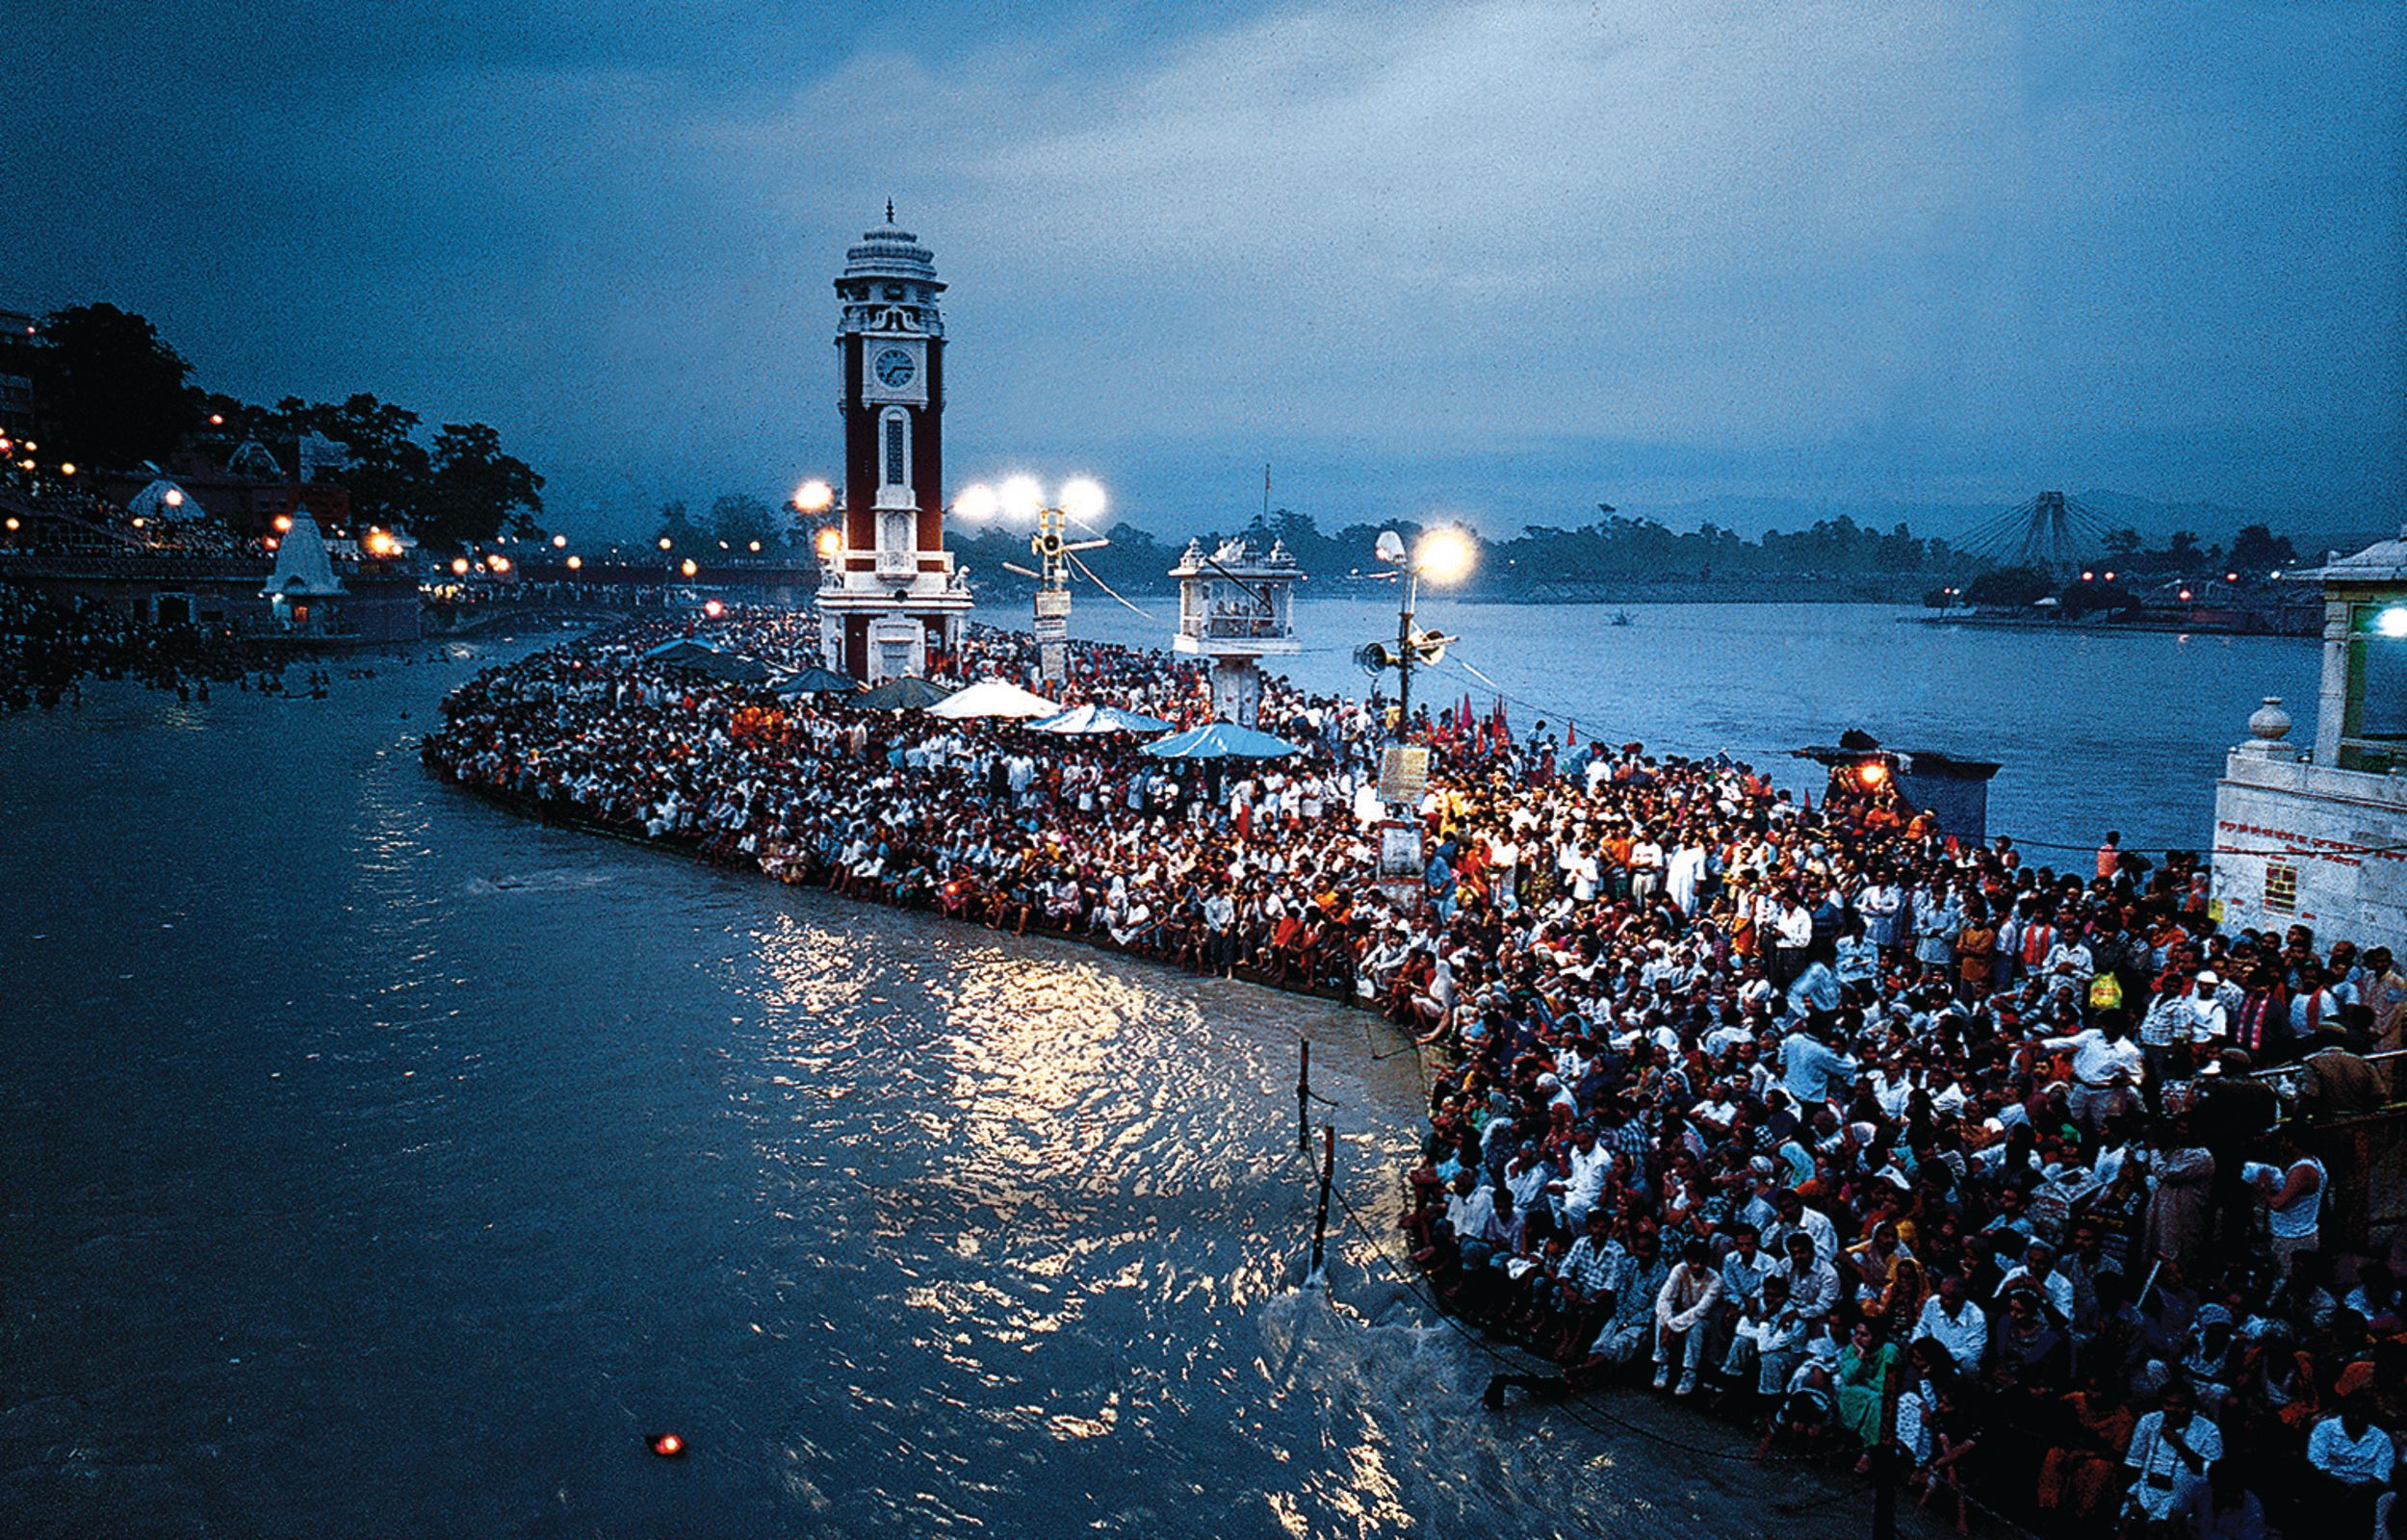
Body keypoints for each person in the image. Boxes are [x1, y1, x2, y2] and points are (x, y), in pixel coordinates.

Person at [2121, 1379, 2221, 1529]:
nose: (2172, 1409)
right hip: (2146, 1490)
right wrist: (2133, 1500)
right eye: (2168, 1404)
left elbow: (2213, 1474)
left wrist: (2179, 1445)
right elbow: (2133, 1463)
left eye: (2179, 1405)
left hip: (2184, 1495)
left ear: (2192, 1407)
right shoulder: (2149, 1421)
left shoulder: (2208, 1430)